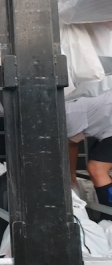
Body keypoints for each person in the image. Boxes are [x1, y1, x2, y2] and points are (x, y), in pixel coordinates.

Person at [66, 89, 112, 220]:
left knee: (97, 168)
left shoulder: (69, 111)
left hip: (108, 127)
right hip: (107, 128)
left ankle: (109, 218)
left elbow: (72, 145)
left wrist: (71, 179)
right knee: (97, 160)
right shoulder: (66, 102)